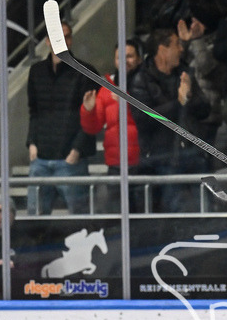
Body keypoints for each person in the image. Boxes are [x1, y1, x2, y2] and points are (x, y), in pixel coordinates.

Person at [130, 28, 212, 213]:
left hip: (193, 153)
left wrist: (189, 95)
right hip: (163, 158)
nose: (181, 49)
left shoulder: (184, 73)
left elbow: (205, 109)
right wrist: (179, 103)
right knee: (172, 209)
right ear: (162, 49)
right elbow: (143, 118)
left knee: (206, 209)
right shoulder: (141, 79)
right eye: (176, 45)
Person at [25, 21, 96, 216]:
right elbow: (34, 111)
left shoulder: (85, 72)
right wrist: (32, 143)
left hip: (71, 161)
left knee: (80, 223)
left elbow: (92, 117)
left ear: (71, 40)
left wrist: (76, 151)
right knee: (35, 222)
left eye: (66, 37)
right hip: (40, 159)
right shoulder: (37, 71)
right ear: (48, 41)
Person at [80, 40, 143, 213]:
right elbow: (93, 128)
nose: (124, 61)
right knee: (117, 216)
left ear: (139, 59)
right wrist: (88, 110)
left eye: (129, 56)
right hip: (116, 165)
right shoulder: (107, 89)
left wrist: (128, 104)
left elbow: (151, 117)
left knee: (143, 218)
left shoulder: (146, 83)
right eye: (119, 57)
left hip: (143, 162)